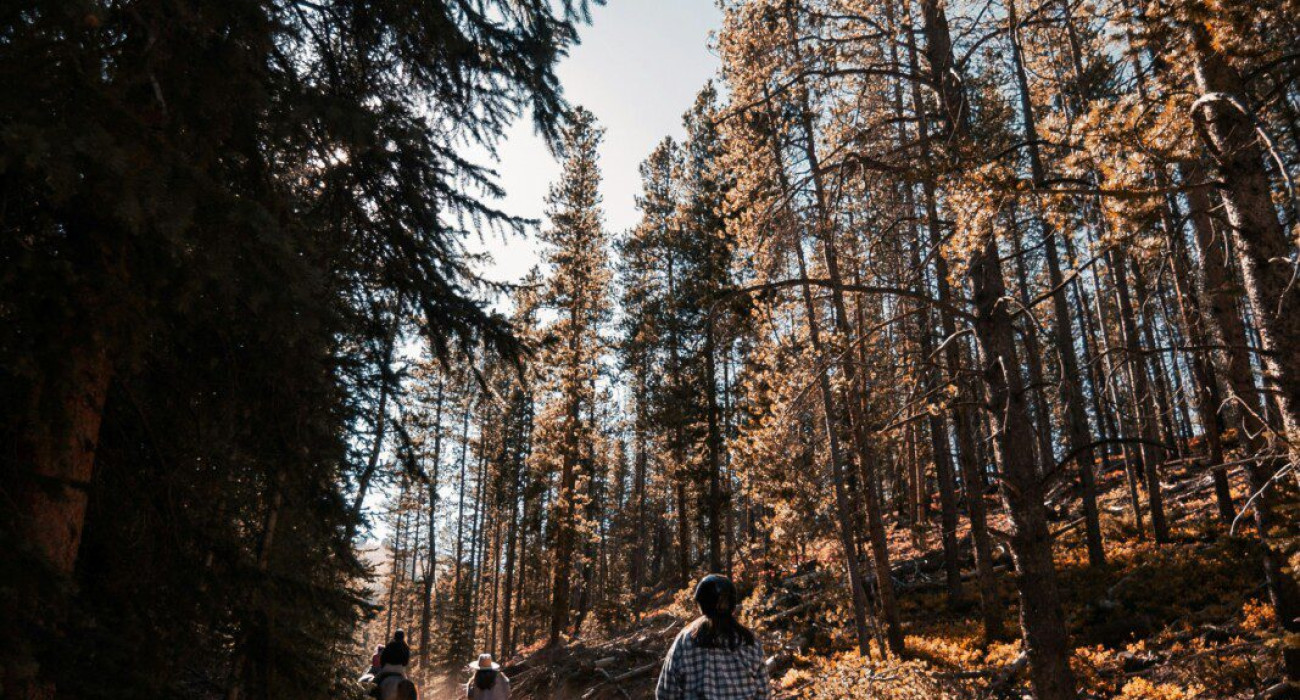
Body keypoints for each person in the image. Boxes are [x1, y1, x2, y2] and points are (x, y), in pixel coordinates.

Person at [655, 574, 769, 700]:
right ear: (732, 604)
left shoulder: (685, 640)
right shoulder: (749, 641)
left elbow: (666, 693)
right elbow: (763, 692)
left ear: (700, 603)